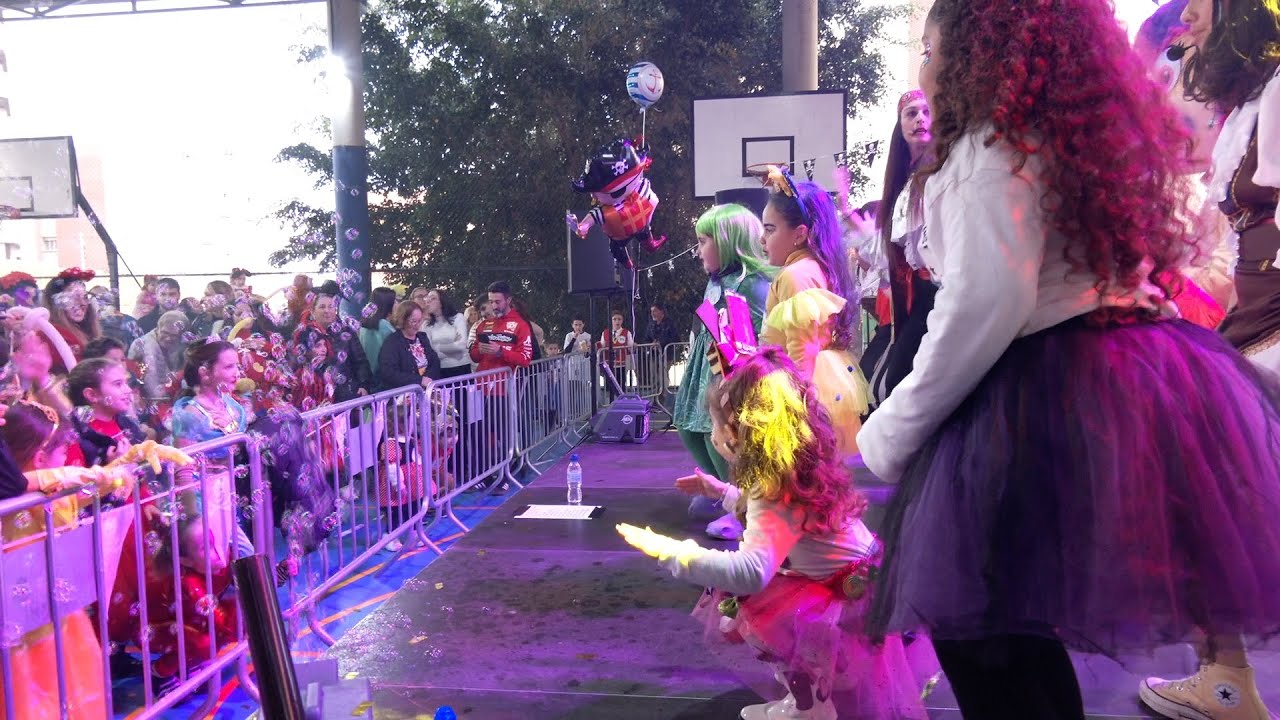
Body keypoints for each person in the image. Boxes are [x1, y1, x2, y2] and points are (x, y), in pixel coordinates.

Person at [859, 2, 1280, 718]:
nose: (921, 70)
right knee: (1012, 626)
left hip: (1037, 398)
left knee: (984, 627)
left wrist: (891, 432)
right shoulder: (1058, 139)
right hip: (1114, 376)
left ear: (971, 55)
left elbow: (984, 302)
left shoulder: (991, 148)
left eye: (928, 51)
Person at [619, 349, 929, 720]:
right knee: (763, 608)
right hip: (856, 583)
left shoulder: (772, 485)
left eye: (715, 424)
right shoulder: (790, 462)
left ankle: (811, 707)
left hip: (844, 600)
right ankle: (808, 698)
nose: (713, 433)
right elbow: (777, 518)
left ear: (737, 429)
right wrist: (722, 492)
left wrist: (676, 553)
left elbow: (752, 571)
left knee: (754, 610)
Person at [1138, 1, 1280, 717]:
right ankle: (1226, 674)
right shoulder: (1252, 103)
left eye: (1196, 1)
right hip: (1252, 324)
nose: (1184, 16)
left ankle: (1228, 673)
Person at [672, 204, 775, 539]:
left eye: (704, 241)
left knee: (721, 437)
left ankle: (740, 506)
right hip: (706, 364)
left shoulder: (751, 284)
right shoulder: (716, 281)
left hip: (731, 370)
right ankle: (720, 490)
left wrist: (735, 381)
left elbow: (755, 336)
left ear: (729, 242)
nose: (698, 250)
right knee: (689, 427)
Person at [760, 172, 870, 456]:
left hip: (798, 393)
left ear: (799, 234)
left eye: (770, 229)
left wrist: (794, 415)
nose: (762, 239)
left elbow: (802, 353)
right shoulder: (815, 268)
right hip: (817, 388)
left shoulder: (795, 275)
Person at [855, 90, 937, 408]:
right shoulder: (902, 186)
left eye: (927, 112)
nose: (920, 119)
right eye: (911, 113)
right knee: (891, 386)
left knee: (901, 386)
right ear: (900, 126)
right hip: (916, 295)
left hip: (942, 291)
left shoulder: (943, 175)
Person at [378, 300, 441, 390]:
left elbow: (434, 361)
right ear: (402, 320)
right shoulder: (392, 342)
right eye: (413, 321)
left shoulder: (422, 337)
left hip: (427, 390)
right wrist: (419, 380)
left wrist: (428, 379)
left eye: (420, 321)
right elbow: (388, 372)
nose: (417, 325)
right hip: (404, 395)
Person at [421, 289, 471, 379]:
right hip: (441, 369)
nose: (428, 302)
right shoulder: (426, 325)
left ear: (441, 302)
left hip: (461, 367)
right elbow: (429, 351)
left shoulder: (458, 318)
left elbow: (461, 346)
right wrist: (452, 345)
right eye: (427, 299)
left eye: (432, 298)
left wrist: (438, 347)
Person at [359, 287, 398, 387]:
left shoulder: (365, 325)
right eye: (395, 301)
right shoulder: (383, 325)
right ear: (388, 304)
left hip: (368, 375)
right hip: (381, 377)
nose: (397, 304)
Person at [597, 310, 634, 399]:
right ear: (611, 320)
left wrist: (633, 346)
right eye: (615, 319)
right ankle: (610, 403)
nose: (617, 321)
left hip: (621, 364)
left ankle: (622, 402)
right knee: (609, 386)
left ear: (622, 320)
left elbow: (630, 347)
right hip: (609, 364)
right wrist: (597, 345)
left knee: (621, 384)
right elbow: (602, 345)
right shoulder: (605, 332)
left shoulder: (626, 332)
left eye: (619, 319)